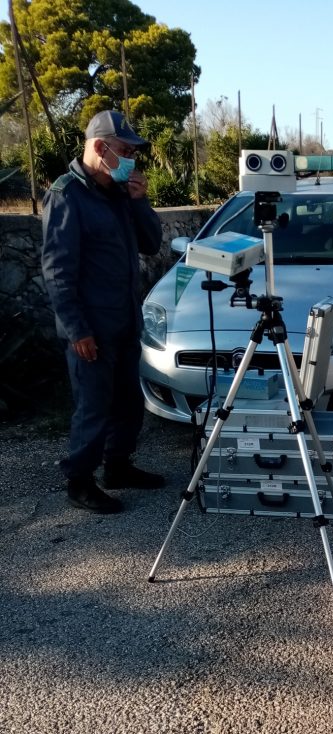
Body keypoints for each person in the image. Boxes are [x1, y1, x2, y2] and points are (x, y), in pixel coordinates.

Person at [41, 110, 165, 514]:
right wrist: (77, 330)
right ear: (100, 147)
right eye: (125, 150)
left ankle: (118, 466)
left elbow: (150, 243)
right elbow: (58, 271)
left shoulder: (118, 193)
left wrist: (140, 202)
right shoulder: (66, 196)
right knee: (94, 404)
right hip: (91, 326)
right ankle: (79, 480)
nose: (131, 159)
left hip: (124, 318)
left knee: (128, 400)